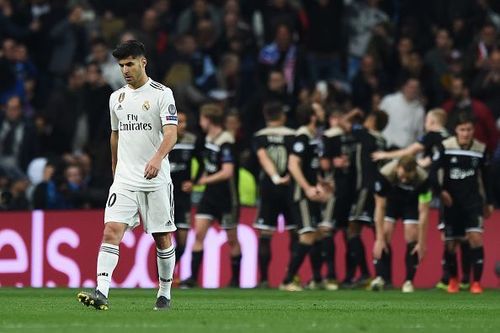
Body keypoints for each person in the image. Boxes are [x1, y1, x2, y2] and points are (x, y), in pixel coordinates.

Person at [77, 40, 178, 310]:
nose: (125, 70)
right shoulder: (116, 98)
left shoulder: (161, 93)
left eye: (130, 64)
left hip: (155, 179)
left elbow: (171, 133)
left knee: (162, 237)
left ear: (143, 62)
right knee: (111, 230)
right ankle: (101, 291)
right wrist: (114, 165)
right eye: (121, 65)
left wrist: (157, 158)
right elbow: (115, 134)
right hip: (124, 179)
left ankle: (165, 293)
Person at [430, 112, 493, 294]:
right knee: (451, 244)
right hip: (451, 203)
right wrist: (440, 192)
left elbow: (487, 179)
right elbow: (433, 173)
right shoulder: (445, 147)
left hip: (472, 202)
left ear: (473, 130)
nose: (465, 133)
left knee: (475, 238)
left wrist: (489, 202)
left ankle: (476, 283)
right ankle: (454, 280)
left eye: (469, 129)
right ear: (456, 130)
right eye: (462, 129)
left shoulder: (480, 149)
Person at [180, 103, 241, 288]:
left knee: (232, 239)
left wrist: (202, 181)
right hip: (209, 197)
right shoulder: (207, 139)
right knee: (199, 234)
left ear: (207, 119)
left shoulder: (225, 141)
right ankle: (192, 278)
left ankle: (235, 280)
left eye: (201, 119)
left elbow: (227, 172)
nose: (200, 122)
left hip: (227, 197)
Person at [280, 104, 331, 291]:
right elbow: (293, 165)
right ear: (312, 116)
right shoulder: (302, 136)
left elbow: (309, 166)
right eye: (319, 110)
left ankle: (317, 279)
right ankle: (287, 280)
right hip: (301, 195)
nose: (323, 112)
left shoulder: (312, 136)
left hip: (311, 192)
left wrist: (320, 183)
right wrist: (308, 188)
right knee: (308, 234)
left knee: (317, 235)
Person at [370, 156, 431, 293]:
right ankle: (381, 278)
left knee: (412, 235)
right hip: (391, 202)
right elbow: (379, 207)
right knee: (384, 233)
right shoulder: (384, 174)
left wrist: (421, 242)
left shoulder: (424, 180)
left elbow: (424, 213)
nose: (404, 179)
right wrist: (379, 239)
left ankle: (408, 281)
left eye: (408, 177)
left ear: (415, 172)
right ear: (397, 168)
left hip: (410, 202)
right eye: (402, 175)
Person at [252, 102, 296, 288]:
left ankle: (263, 280)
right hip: (291, 188)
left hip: (269, 188)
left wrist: (275, 177)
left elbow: (262, 157)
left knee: (265, 234)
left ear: (266, 115)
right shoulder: (294, 136)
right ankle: (292, 276)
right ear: (283, 116)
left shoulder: (259, 136)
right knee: (295, 233)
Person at [169, 111, 200, 267]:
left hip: (183, 198)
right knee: (164, 241)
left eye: (185, 121)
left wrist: (194, 181)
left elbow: (202, 163)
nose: (184, 125)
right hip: (166, 197)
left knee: (182, 242)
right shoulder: (162, 139)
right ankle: (162, 278)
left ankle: (170, 271)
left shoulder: (191, 141)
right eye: (179, 121)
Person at [372, 108, 449, 168]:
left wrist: (385, 155)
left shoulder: (432, 135)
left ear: (432, 122)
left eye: (426, 121)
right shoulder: (449, 136)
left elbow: (409, 151)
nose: (424, 124)